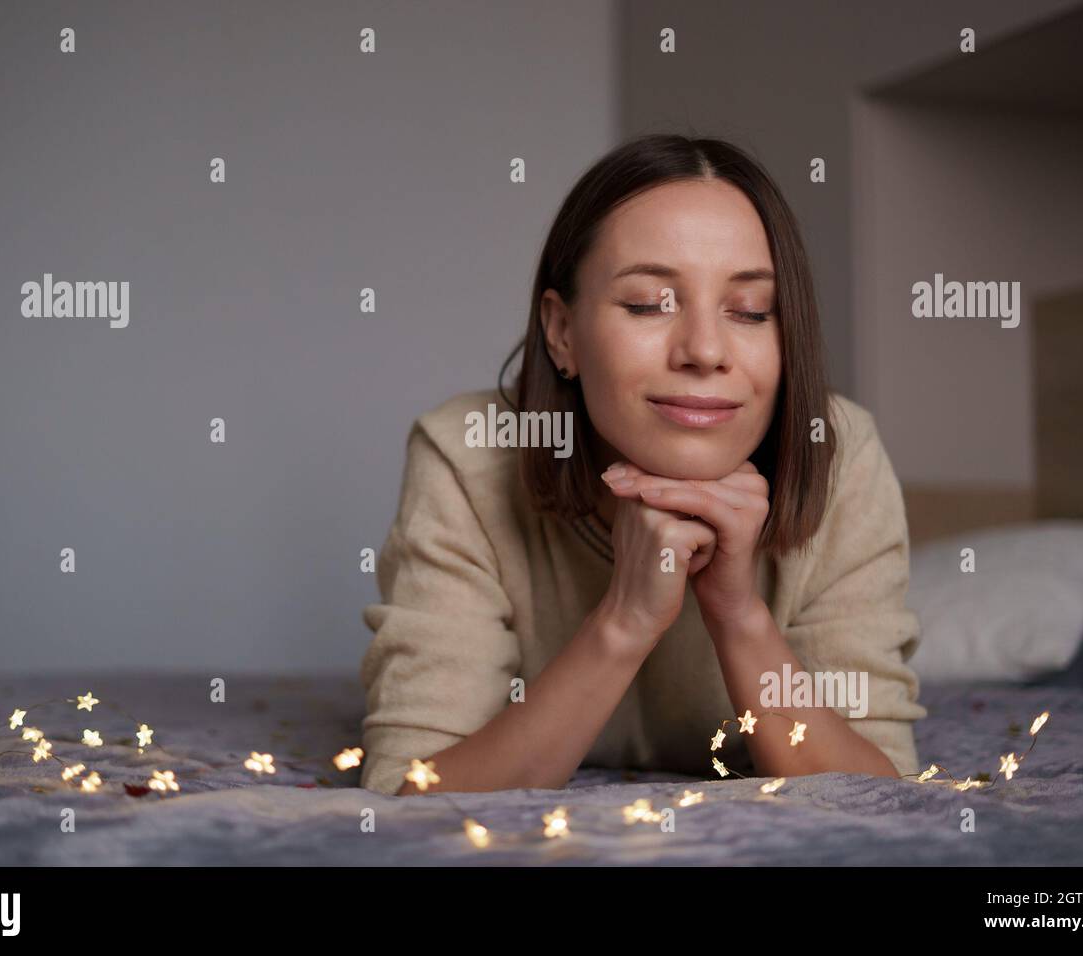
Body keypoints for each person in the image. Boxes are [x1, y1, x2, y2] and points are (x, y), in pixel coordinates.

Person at [358, 133, 927, 796]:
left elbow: (884, 798)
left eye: (749, 311)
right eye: (648, 304)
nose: (705, 350)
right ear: (562, 332)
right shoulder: (466, 455)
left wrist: (738, 612)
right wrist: (625, 619)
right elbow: (411, 795)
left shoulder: (841, 455)